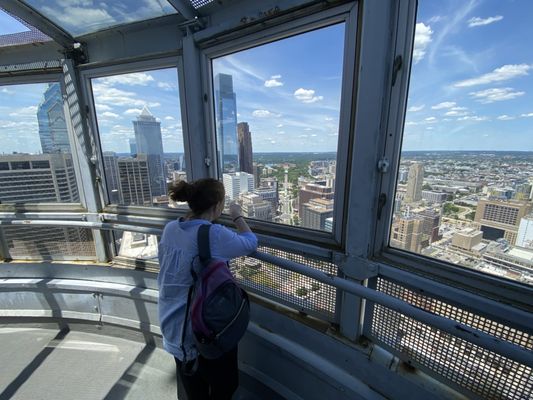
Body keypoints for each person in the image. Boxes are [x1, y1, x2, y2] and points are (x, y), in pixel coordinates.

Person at [158, 178, 257, 400]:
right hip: (201, 331)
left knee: (194, 389)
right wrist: (237, 216)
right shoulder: (212, 234)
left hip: (172, 324)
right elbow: (250, 242)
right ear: (217, 206)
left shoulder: (170, 228)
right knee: (225, 386)